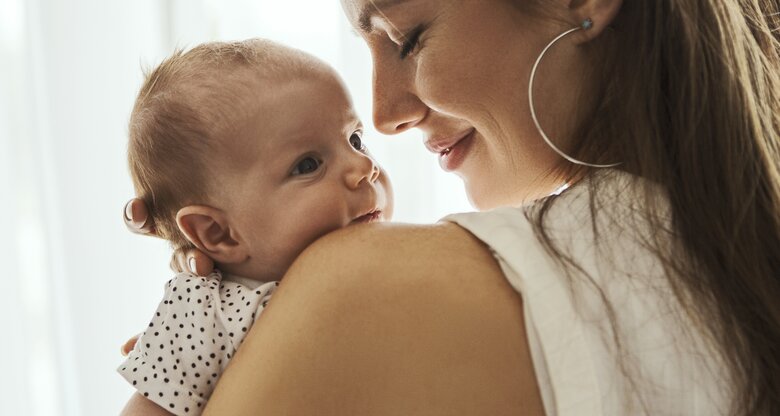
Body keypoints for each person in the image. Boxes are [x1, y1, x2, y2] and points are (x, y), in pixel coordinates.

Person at [121, 0, 780, 414]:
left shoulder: (356, 287)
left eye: (407, 39)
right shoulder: (734, 253)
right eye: (306, 163)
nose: (382, 118)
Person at [118, 39, 392, 415]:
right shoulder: (204, 311)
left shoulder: (390, 264)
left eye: (355, 140)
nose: (364, 168)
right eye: (308, 164)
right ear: (218, 233)